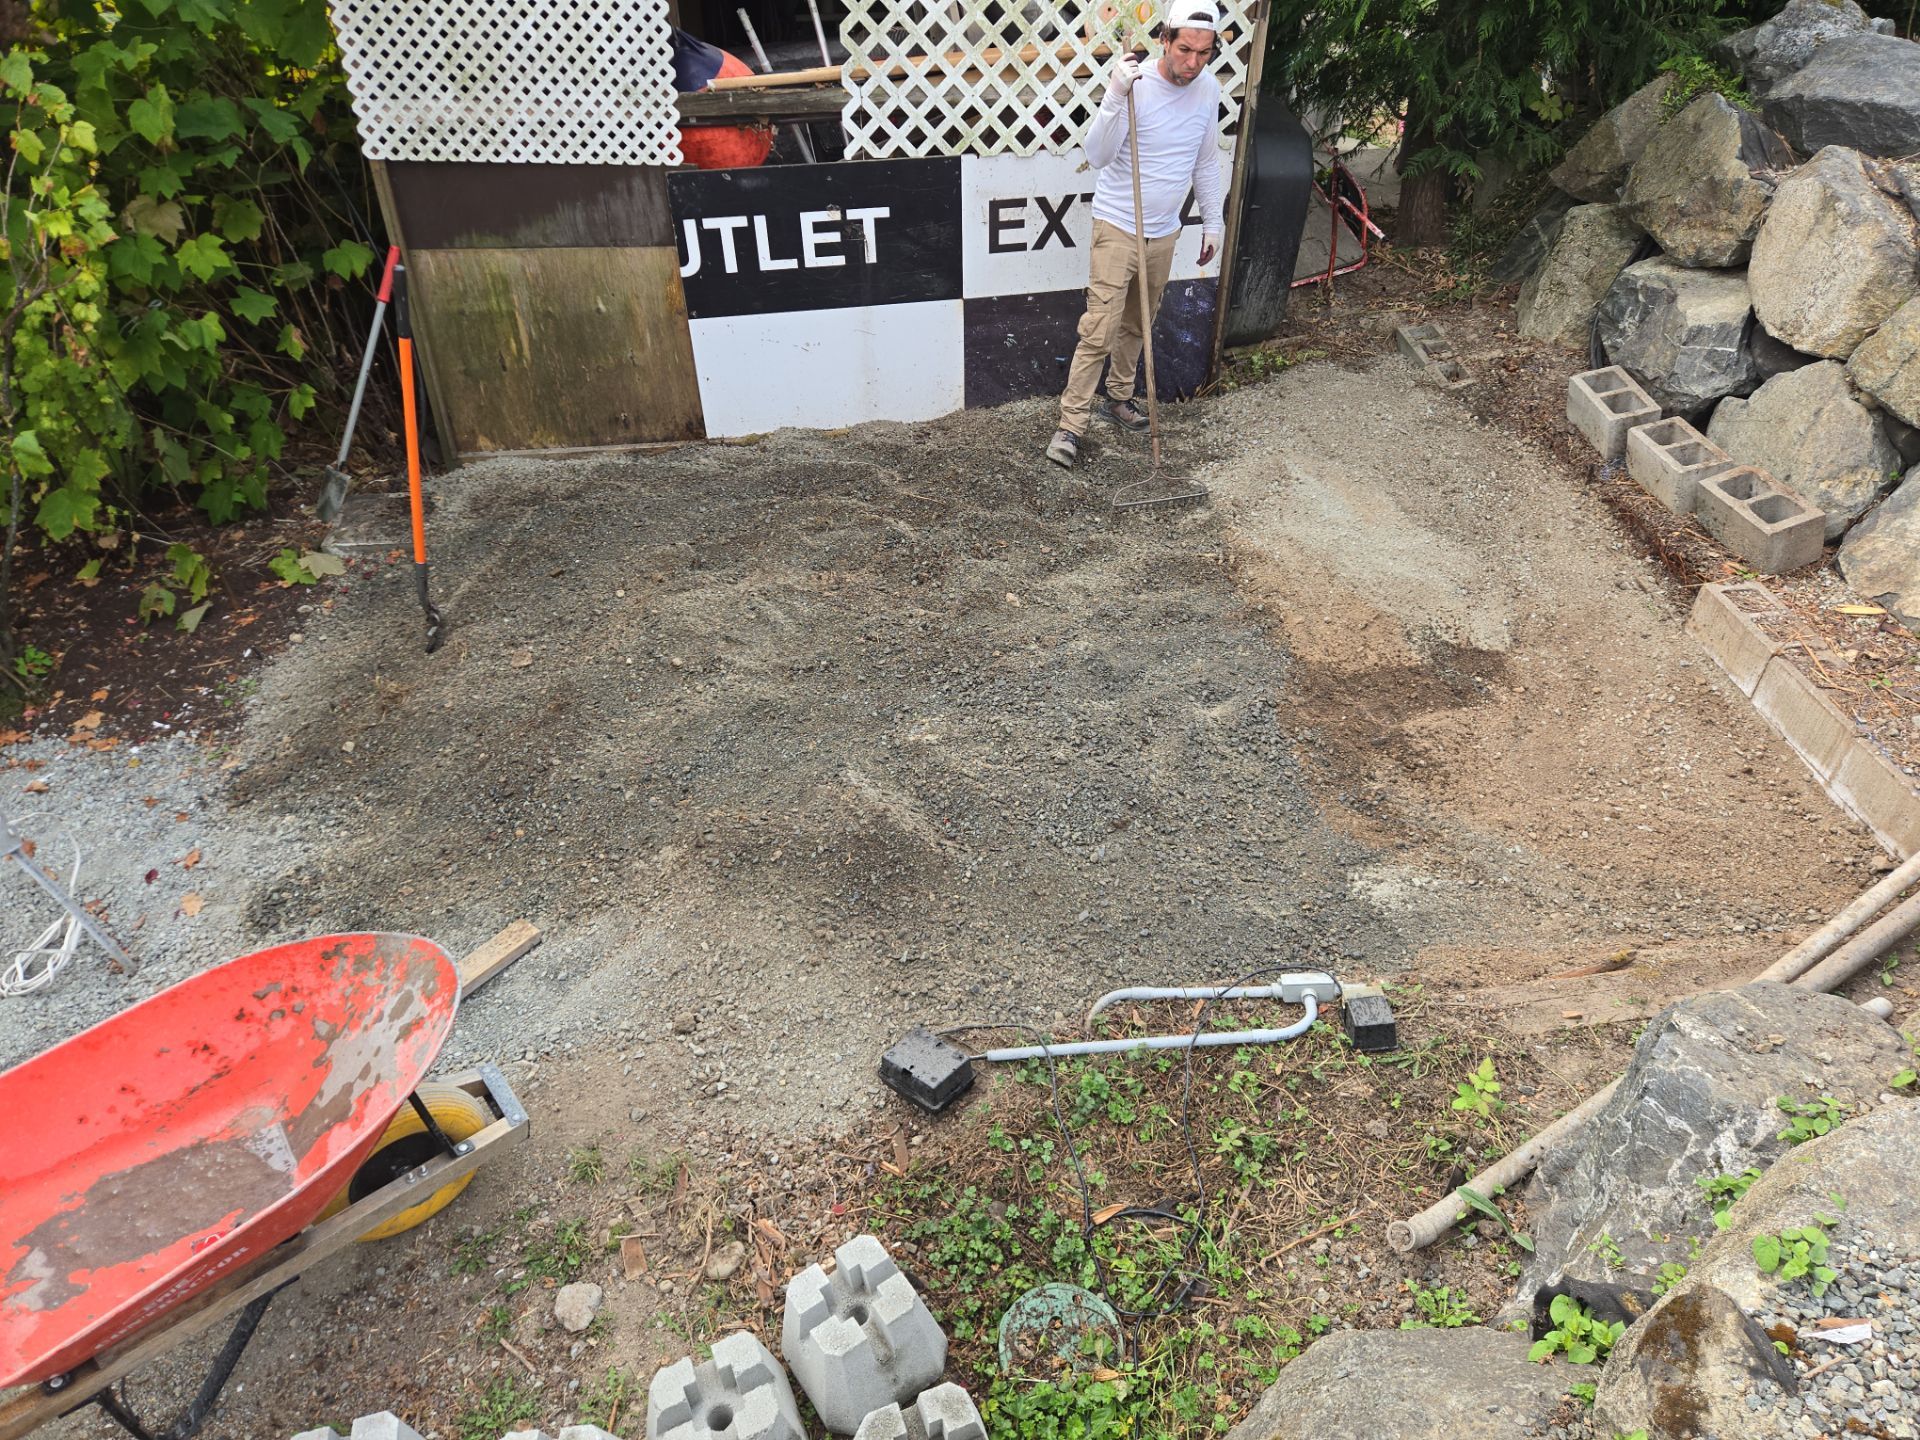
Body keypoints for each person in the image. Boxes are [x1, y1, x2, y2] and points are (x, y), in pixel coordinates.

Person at [1046, 0, 1225, 469]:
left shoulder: (1208, 89)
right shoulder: (1135, 85)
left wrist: (1213, 220)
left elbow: (1206, 160)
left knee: (1138, 323)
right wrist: (1112, 95)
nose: (1192, 62)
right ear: (1164, 40)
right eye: (1185, 49)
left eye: (1204, 53)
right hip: (1118, 224)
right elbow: (1099, 154)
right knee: (1099, 329)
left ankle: (1119, 399)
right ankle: (1070, 427)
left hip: (1164, 230)